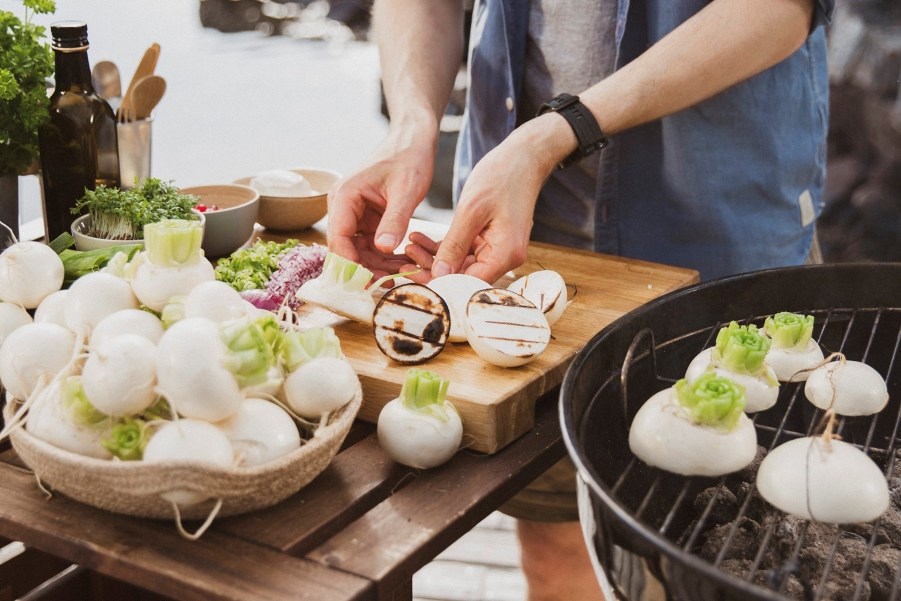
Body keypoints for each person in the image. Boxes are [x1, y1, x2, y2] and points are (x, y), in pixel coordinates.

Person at [327, 1, 833, 599]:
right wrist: (411, 124)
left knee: (745, 547)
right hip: (520, 248)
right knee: (556, 540)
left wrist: (555, 134)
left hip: (719, 243)